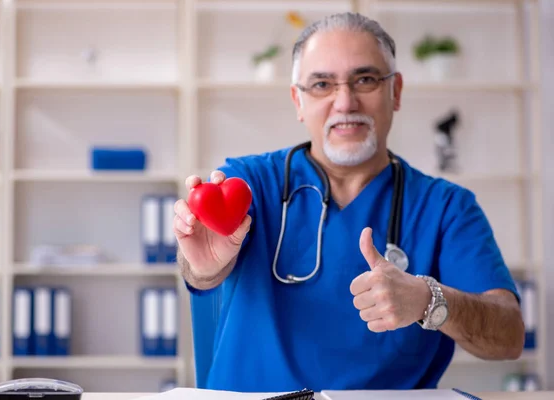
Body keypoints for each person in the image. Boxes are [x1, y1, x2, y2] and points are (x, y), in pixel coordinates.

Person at [173, 12, 524, 393]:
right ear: (298, 100)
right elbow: (201, 273)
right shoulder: (251, 183)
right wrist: (202, 269)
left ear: (396, 91)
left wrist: (428, 300)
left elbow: (508, 336)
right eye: (322, 84)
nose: (345, 101)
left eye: (366, 79)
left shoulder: (446, 207)